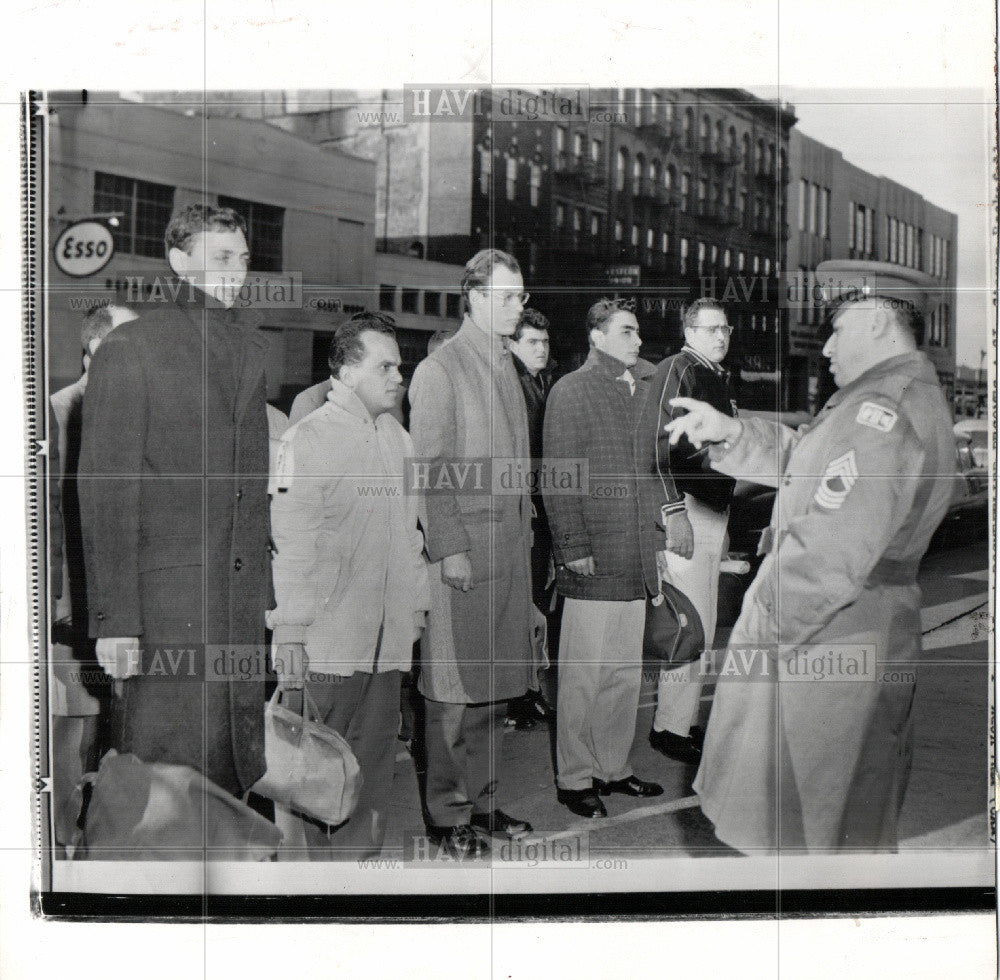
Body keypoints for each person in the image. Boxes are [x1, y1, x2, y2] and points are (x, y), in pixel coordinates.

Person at [662, 261, 956, 852]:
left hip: (825, 640)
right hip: (850, 631)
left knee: (809, 829)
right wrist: (731, 432)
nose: (824, 348)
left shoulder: (882, 413)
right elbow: (810, 457)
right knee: (841, 823)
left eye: (838, 328)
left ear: (876, 323)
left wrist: (762, 625)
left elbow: (831, 552)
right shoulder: (883, 400)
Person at [79, 203, 272, 802]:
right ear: (179, 260)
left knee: (228, 774)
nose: (236, 272)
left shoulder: (249, 346)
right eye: (221, 258)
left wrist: (264, 597)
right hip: (165, 614)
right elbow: (106, 488)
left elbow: (250, 485)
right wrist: (115, 624)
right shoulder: (132, 346)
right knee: (163, 782)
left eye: (242, 259)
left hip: (234, 605)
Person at [269, 311, 429, 859]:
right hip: (326, 648)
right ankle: (306, 894)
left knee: (371, 775)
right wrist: (290, 633)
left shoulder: (399, 440)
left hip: (385, 649)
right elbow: (292, 545)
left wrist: (416, 610)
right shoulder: (305, 440)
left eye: (400, 367)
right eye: (385, 366)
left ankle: (358, 883)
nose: (398, 376)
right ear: (345, 369)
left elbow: (410, 536)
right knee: (312, 778)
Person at [408, 248, 535, 858]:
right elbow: (429, 470)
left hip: (507, 552)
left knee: (496, 689)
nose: (518, 306)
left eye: (520, 296)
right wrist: (450, 549)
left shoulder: (505, 364)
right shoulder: (443, 368)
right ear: (474, 297)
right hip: (464, 555)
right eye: (508, 296)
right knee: (454, 694)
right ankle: (447, 815)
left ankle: (483, 803)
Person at [543, 298, 666, 819]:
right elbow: (559, 475)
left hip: (635, 555)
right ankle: (574, 778)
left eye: (638, 333)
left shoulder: (642, 390)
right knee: (581, 677)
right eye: (626, 331)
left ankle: (612, 767)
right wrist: (573, 547)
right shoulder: (571, 391)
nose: (637, 341)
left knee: (622, 675)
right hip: (594, 557)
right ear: (596, 336)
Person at [49, 302, 137, 845]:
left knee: (111, 734)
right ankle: (62, 853)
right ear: (92, 351)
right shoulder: (58, 413)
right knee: (68, 731)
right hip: (70, 614)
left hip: (116, 610)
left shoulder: (133, 416)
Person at [641, 298, 738, 765]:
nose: (721, 336)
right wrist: (673, 510)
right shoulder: (678, 368)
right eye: (711, 328)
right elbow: (657, 445)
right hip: (689, 510)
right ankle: (670, 728)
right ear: (690, 331)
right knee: (689, 624)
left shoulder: (714, 374)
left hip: (710, 512)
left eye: (726, 328)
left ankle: (680, 722)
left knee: (703, 623)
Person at [505, 308, 557, 731]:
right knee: (525, 603)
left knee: (535, 602)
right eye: (532, 342)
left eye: (545, 342)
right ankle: (520, 693)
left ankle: (527, 690)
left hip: (538, 506)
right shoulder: (512, 384)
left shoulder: (539, 381)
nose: (541, 349)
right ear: (512, 344)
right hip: (523, 508)